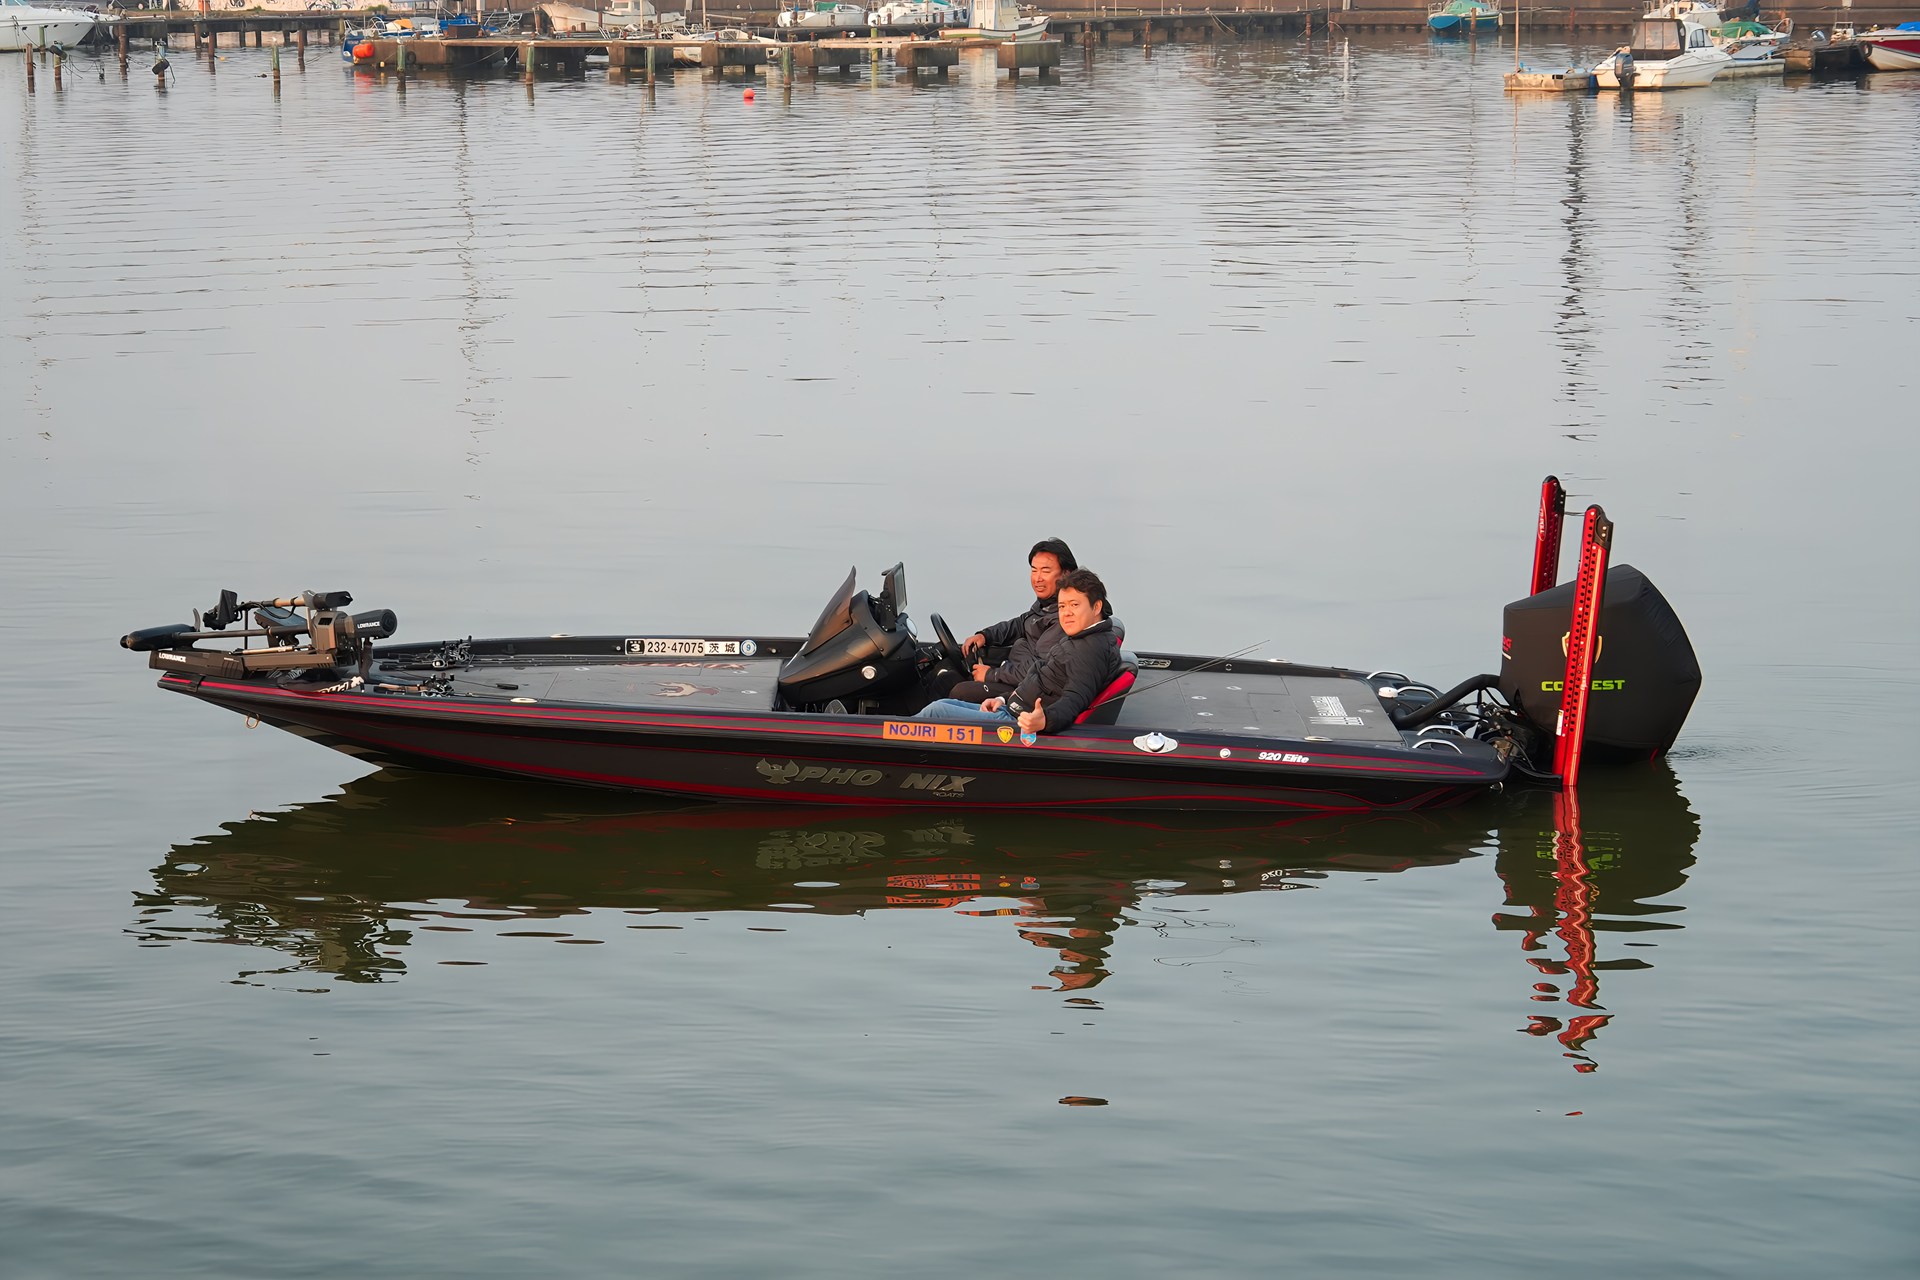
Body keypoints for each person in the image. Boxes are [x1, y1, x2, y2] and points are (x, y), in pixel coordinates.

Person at [917, 569, 1122, 736]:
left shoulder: (1089, 650)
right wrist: (1003, 699)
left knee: (936, 712)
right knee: (943, 704)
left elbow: (1075, 698)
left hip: (1016, 724)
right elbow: (1040, 678)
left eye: (1074, 605)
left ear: (1096, 607)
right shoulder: (1081, 635)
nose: (1066, 613)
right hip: (1010, 709)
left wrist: (1045, 720)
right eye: (1062, 606)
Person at [947, 538, 1078, 705]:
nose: (1037, 578)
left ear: (1066, 574)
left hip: (1029, 691)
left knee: (961, 692)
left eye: (1045, 571)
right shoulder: (1045, 605)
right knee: (947, 677)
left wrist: (992, 674)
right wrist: (985, 636)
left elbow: (1039, 670)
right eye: (1034, 570)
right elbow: (1019, 624)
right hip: (1015, 674)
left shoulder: (1065, 617)